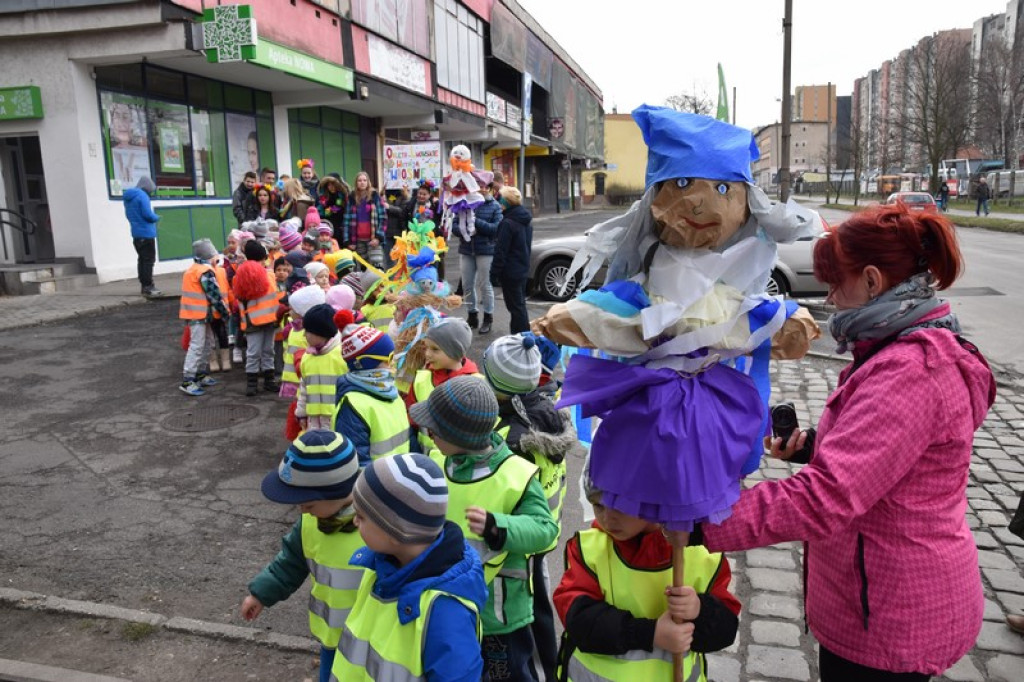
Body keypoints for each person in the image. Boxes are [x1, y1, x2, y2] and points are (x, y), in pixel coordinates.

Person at [701, 204, 996, 680]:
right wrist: (815, 447)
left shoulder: (911, 370)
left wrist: (702, 521)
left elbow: (828, 497)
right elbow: (902, 457)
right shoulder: (912, 340)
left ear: (874, 281)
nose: (832, 296)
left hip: (889, 614)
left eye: (837, 281)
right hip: (880, 593)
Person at [409, 375, 559, 682]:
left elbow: (546, 529)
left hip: (497, 614)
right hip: (446, 604)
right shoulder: (437, 461)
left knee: (509, 675)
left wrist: (498, 527)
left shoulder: (515, 472)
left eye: (435, 428)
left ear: (458, 434)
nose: (428, 432)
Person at [554, 471, 740, 682]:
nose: (607, 517)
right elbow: (579, 621)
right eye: (598, 506)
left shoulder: (703, 556)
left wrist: (700, 610)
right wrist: (650, 634)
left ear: (654, 500)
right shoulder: (588, 550)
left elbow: (725, 631)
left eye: (619, 506)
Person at [331, 453, 487, 682]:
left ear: (396, 531)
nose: (355, 521)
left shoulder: (445, 612)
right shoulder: (379, 566)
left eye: (361, 517)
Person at [483, 332, 576, 682]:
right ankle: (546, 667)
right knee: (538, 609)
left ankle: (540, 672)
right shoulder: (544, 409)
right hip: (542, 529)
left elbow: (508, 491)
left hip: (522, 540)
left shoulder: (510, 436)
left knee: (529, 615)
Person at [241, 429, 364, 682]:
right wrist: (261, 594)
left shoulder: (378, 527)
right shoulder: (309, 523)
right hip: (332, 639)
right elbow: (290, 563)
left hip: (371, 642)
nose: (302, 510)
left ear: (336, 493)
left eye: (308, 504)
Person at [332, 310, 410, 466]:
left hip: (398, 480)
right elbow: (356, 461)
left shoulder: (389, 391)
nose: (393, 364)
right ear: (365, 364)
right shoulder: (353, 406)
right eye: (388, 359)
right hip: (374, 486)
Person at [178, 239, 230, 396]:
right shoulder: (205, 272)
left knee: (207, 343)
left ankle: (200, 373)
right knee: (198, 345)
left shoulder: (193, 269)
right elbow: (214, 295)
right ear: (210, 256)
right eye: (216, 256)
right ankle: (188, 379)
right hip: (199, 315)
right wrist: (225, 313)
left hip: (198, 314)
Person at [233, 240, 283, 397]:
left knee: (254, 352)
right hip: (269, 319)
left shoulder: (241, 275)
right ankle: (268, 381)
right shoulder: (268, 274)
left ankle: (253, 383)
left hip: (253, 320)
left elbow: (239, 297)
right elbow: (277, 295)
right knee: (267, 350)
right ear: (263, 257)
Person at [458, 180, 502, 335]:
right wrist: (465, 231)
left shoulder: (494, 206)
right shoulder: (465, 202)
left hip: (486, 250)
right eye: (478, 186)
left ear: (489, 189)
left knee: (485, 285)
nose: (481, 189)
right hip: (466, 249)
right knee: (467, 284)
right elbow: (456, 225)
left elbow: (496, 229)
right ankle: (472, 316)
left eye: (485, 187)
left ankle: (488, 318)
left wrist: (476, 223)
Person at [296, 304, 348, 432]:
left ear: (321, 332)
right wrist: (301, 413)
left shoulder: (343, 355)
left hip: (338, 420)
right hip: (313, 421)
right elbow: (304, 388)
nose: (304, 335)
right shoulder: (307, 357)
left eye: (307, 331)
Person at [490, 186, 533, 334]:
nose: (498, 202)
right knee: (519, 306)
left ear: (506, 202)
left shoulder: (507, 223)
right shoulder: (524, 219)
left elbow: (501, 251)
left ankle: (520, 338)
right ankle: (522, 335)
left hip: (510, 271)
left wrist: (494, 274)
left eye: (499, 199)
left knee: (515, 308)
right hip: (522, 269)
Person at [123, 175, 161, 297]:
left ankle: (144, 285)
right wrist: (157, 217)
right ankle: (148, 286)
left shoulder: (129, 197)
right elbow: (147, 214)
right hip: (147, 233)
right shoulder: (142, 196)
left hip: (136, 233)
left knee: (142, 259)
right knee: (149, 260)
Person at [344, 171, 387, 267]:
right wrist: (348, 240)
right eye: (359, 180)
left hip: (373, 238)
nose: (362, 182)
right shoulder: (351, 198)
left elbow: (383, 218)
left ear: (368, 182)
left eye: (364, 180)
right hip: (358, 240)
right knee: (363, 268)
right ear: (356, 183)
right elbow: (346, 221)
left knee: (377, 266)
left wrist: (378, 237)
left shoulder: (375, 196)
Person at [318, 173, 350, 243]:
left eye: (333, 185)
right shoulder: (323, 197)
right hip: (327, 229)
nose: (331, 187)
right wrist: (329, 211)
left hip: (341, 228)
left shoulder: (344, 197)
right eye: (329, 185)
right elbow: (321, 212)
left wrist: (334, 209)